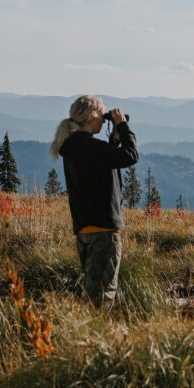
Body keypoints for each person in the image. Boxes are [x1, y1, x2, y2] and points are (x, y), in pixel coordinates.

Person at [50, 95, 138, 307]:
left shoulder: (74, 146)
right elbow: (130, 155)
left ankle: (91, 332)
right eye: (102, 115)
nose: (104, 120)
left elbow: (103, 164)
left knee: (94, 288)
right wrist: (123, 127)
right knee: (102, 295)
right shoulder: (89, 146)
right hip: (103, 232)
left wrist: (114, 140)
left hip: (85, 231)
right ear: (91, 118)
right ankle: (95, 335)